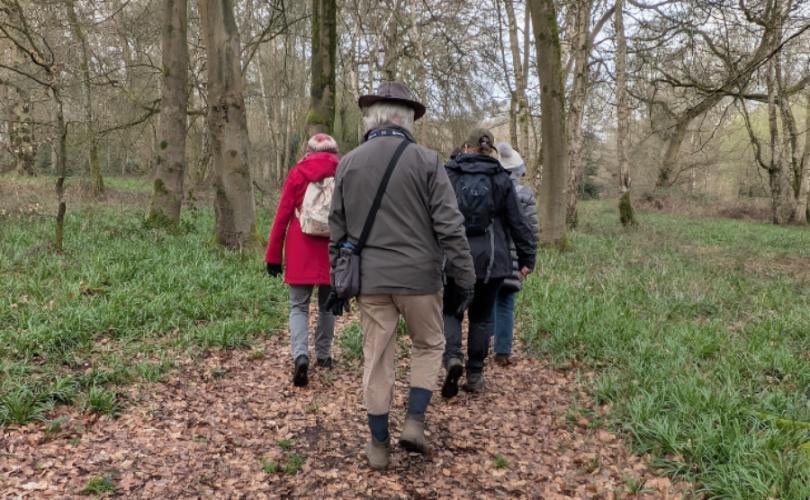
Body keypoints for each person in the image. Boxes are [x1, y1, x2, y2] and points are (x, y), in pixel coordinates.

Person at [329, 81, 476, 470]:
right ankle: (414, 422)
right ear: (407, 119)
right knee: (429, 345)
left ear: (372, 119)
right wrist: (465, 276)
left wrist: (338, 280)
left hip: (372, 281)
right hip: (421, 279)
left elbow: (337, 231)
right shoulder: (427, 161)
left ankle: (378, 445)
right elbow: (450, 226)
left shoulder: (348, 163)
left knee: (377, 359)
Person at [441, 129, 536, 397]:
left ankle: (452, 357)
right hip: (493, 262)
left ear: (466, 146)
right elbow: (518, 221)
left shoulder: (449, 175)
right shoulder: (502, 179)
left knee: (451, 311)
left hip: (454, 258)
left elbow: (434, 216)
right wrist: (528, 257)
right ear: (490, 149)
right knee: (481, 317)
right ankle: (474, 373)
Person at [265, 133, 340, 388]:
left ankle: (300, 355)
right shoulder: (343, 173)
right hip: (332, 249)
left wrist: (273, 256)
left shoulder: (298, 173)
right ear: (334, 151)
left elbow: (283, 215)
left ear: (308, 150)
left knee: (298, 306)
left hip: (300, 248)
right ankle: (324, 355)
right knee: (328, 306)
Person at [492, 142, 538, 366]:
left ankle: (485, 341)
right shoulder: (525, 195)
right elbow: (530, 230)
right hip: (514, 256)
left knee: (488, 299)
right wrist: (529, 260)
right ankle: (502, 351)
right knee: (506, 303)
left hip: (490, 255)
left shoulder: (489, 188)